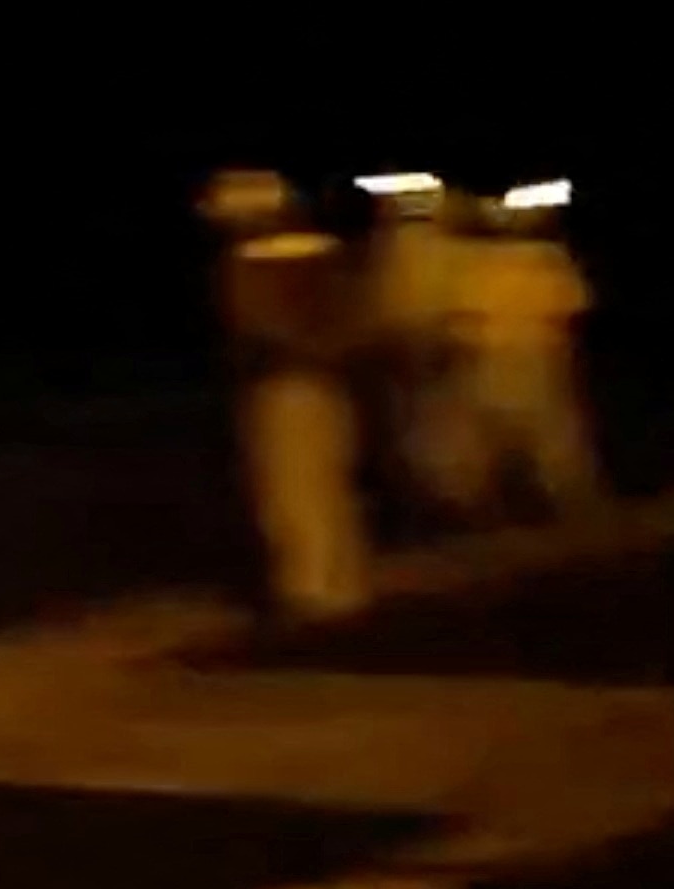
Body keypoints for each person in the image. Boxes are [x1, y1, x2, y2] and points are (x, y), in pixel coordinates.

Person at [202, 169, 371, 619]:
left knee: (291, 491)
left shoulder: (255, 260)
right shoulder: (327, 254)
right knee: (330, 485)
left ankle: (309, 589)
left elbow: (256, 330)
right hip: (329, 383)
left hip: (283, 384)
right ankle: (343, 585)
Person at [450, 188, 604, 519]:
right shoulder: (543, 259)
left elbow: (464, 323)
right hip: (527, 360)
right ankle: (562, 506)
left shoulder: (480, 263)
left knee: (539, 441)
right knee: (548, 442)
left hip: (511, 361)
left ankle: (556, 508)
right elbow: (573, 309)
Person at [365, 180, 486, 523]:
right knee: (427, 432)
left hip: (438, 350)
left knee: (445, 431)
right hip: (418, 350)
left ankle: (458, 500)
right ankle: (445, 501)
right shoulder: (403, 248)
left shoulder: (426, 249)